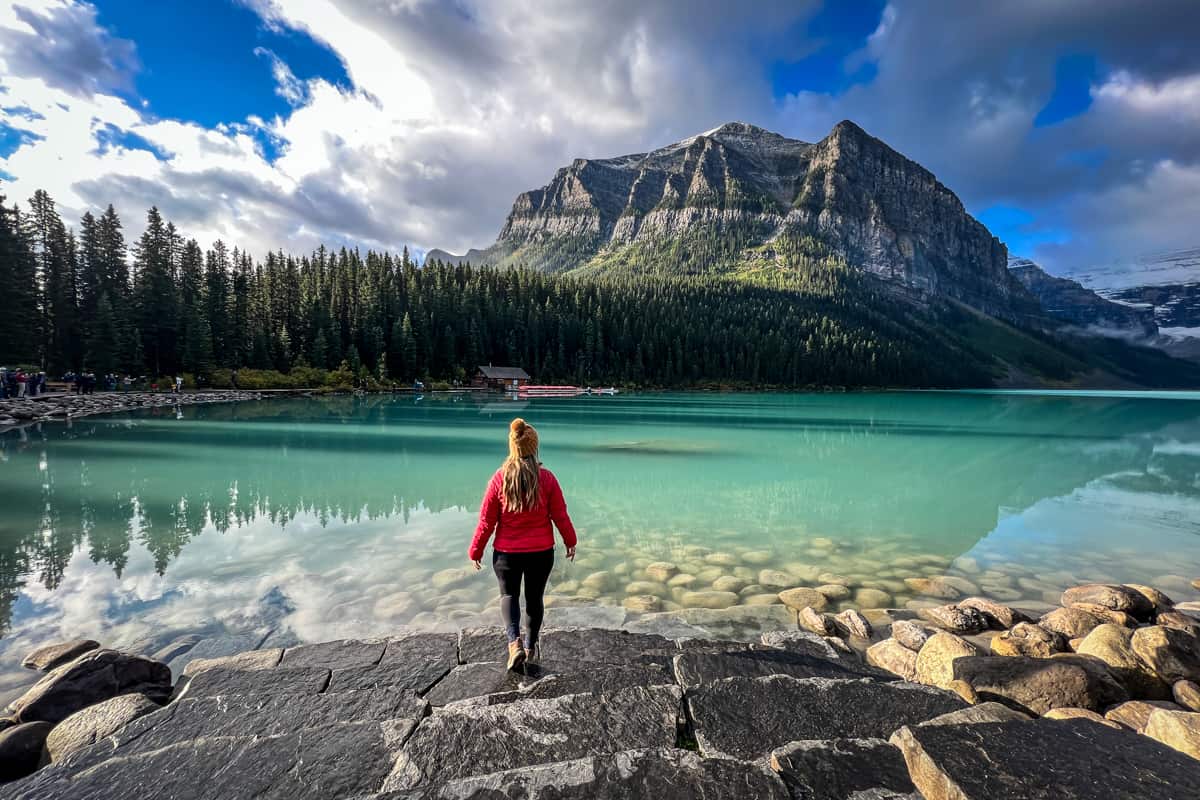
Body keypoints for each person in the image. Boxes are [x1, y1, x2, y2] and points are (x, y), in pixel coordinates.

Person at [468, 418, 577, 671]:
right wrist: (570, 541)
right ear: (534, 447)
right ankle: (529, 647)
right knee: (534, 598)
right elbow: (560, 515)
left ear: (512, 447)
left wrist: (476, 549)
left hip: (507, 554)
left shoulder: (499, 479)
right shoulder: (547, 479)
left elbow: (487, 521)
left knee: (509, 595)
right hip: (541, 553)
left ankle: (513, 643)